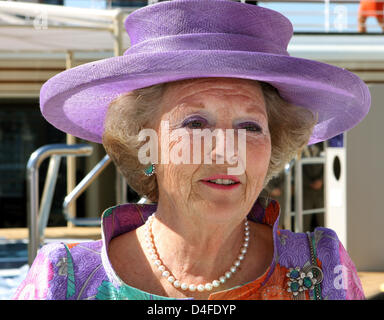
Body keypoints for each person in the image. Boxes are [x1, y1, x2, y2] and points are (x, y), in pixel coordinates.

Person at [14, 0, 370, 300]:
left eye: (250, 127)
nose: (227, 152)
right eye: (196, 124)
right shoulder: (61, 280)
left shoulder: (323, 269)